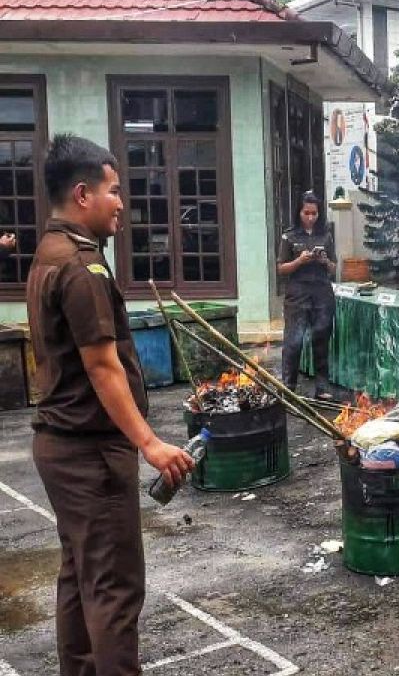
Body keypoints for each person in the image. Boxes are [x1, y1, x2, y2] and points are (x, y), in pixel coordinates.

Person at [28, 134, 194, 676]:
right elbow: (103, 367)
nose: (122, 202)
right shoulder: (81, 269)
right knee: (116, 590)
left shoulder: (49, 252)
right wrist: (149, 443)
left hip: (60, 448)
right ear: (82, 194)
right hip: (90, 454)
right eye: (114, 190)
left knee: (80, 576)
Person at [277, 192, 337, 400]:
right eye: (306, 213)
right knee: (294, 341)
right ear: (299, 212)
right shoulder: (289, 235)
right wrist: (299, 261)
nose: (310, 217)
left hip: (322, 293)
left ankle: (322, 387)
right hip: (298, 294)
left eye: (314, 213)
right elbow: (281, 268)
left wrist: (324, 261)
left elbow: (334, 267)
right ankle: (288, 387)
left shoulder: (326, 235)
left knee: (321, 339)